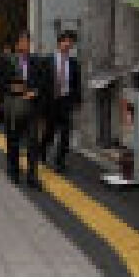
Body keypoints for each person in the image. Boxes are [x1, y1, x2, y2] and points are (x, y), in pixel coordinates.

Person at [3, 30, 43, 188]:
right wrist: (11, 87)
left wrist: (35, 91)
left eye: (27, 41)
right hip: (13, 108)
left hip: (32, 108)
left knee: (33, 143)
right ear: (16, 45)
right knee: (13, 141)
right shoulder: (8, 61)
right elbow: (1, 81)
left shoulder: (37, 61)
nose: (24, 45)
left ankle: (32, 176)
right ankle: (14, 171)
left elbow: (43, 81)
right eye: (21, 42)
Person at [41, 31, 82, 173]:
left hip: (66, 100)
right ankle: (42, 153)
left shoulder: (74, 63)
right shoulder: (47, 60)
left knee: (65, 132)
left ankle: (60, 161)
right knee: (50, 131)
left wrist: (77, 101)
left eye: (71, 42)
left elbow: (77, 84)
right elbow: (43, 82)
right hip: (51, 101)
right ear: (59, 42)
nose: (68, 44)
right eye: (66, 41)